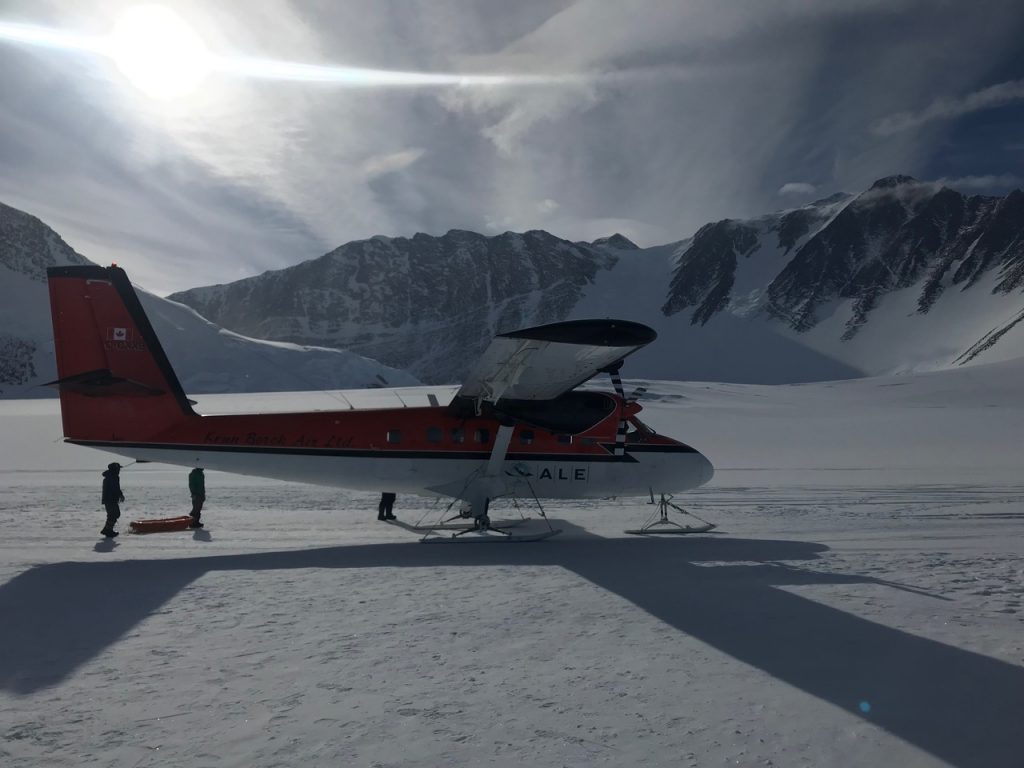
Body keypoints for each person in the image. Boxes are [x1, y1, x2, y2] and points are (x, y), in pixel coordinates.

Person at [100, 462, 124, 538]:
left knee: (112, 515)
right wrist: (120, 495)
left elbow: (116, 488)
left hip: (109, 499)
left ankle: (106, 529)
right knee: (115, 514)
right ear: (115, 469)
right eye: (118, 468)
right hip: (110, 499)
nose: (119, 470)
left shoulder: (112, 476)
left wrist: (120, 495)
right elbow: (115, 488)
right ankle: (108, 530)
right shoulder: (112, 477)